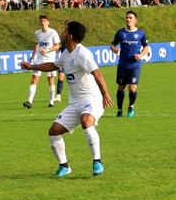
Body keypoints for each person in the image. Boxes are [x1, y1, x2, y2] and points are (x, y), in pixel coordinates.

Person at [20, 20, 113, 177]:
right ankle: (64, 166)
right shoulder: (65, 53)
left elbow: (97, 72)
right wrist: (32, 67)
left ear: (70, 36)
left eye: (64, 31)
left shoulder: (82, 53)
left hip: (92, 99)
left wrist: (105, 94)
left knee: (86, 121)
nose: (61, 33)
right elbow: (54, 66)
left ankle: (97, 162)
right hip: (75, 103)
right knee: (54, 131)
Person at [110, 11, 151, 118]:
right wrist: (114, 49)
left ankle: (131, 106)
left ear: (135, 20)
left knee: (132, 89)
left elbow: (146, 46)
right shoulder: (120, 33)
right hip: (123, 65)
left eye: (130, 18)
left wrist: (140, 55)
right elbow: (113, 44)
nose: (128, 19)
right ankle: (119, 110)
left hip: (135, 65)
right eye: (127, 17)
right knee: (121, 88)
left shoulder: (141, 33)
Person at [24, 14, 61, 109]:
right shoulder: (37, 33)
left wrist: (47, 50)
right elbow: (37, 44)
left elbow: (57, 46)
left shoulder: (53, 32)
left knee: (50, 80)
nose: (43, 23)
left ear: (48, 22)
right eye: (41, 21)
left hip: (50, 60)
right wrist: (33, 55)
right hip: (39, 60)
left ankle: (51, 102)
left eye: (44, 21)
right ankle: (29, 101)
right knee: (34, 79)